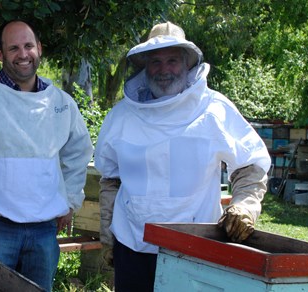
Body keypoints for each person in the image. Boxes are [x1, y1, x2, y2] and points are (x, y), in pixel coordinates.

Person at [95, 21, 271, 291]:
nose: (164, 69)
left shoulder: (214, 109)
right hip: (132, 248)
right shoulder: (121, 116)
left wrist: (245, 205)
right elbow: (111, 179)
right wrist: (108, 235)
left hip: (196, 249)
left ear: (188, 63)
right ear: (144, 66)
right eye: (156, 61)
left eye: (173, 60)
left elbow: (250, 165)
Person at [0, 20, 94, 291]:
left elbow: (79, 152)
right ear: (0, 54)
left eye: (28, 46)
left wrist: (71, 200)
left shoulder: (61, 103)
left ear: (39, 48)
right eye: (13, 48)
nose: (23, 54)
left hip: (43, 230)